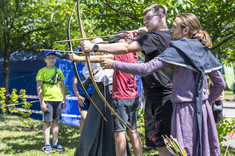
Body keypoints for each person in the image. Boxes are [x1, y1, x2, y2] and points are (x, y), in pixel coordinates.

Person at [101, 13, 226, 156]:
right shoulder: (202, 48)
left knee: (184, 151)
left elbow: (145, 69)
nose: (171, 30)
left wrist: (114, 64)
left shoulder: (177, 49)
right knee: (201, 150)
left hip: (183, 110)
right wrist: (206, 103)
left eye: (174, 27)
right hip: (202, 109)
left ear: (185, 30)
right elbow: (219, 84)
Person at [81, 4, 173, 156]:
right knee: (164, 142)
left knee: (162, 145)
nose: (145, 22)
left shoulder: (155, 38)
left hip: (158, 97)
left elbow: (125, 49)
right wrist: (142, 31)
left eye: (149, 18)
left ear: (161, 17)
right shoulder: (170, 34)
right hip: (160, 95)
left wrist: (94, 47)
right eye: (144, 20)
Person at [72, 31, 142, 156]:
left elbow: (102, 58)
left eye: (116, 43)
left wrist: (79, 58)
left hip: (119, 97)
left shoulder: (121, 54)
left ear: (126, 42)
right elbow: (83, 86)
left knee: (119, 132)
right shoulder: (133, 53)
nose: (113, 46)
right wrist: (90, 75)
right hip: (127, 97)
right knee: (132, 131)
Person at [72, 38, 116, 156]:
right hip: (97, 99)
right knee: (92, 128)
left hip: (112, 97)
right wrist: (91, 77)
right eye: (97, 47)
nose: (100, 50)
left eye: (101, 47)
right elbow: (83, 87)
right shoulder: (89, 64)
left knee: (112, 128)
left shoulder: (111, 57)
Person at [36, 51, 66, 153]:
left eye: (53, 57)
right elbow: (39, 87)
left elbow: (62, 86)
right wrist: (42, 102)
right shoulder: (42, 71)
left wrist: (63, 99)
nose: (51, 59)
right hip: (47, 100)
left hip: (58, 99)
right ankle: (47, 145)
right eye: (49, 57)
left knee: (55, 122)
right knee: (47, 122)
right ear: (45, 60)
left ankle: (55, 143)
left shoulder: (59, 72)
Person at [72, 64, 93, 132]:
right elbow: (74, 84)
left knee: (93, 117)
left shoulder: (93, 65)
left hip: (93, 95)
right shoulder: (77, 67)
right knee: (84, 117)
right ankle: (82, 137)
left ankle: (91, 136)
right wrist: (78, 96)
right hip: (82, 96)